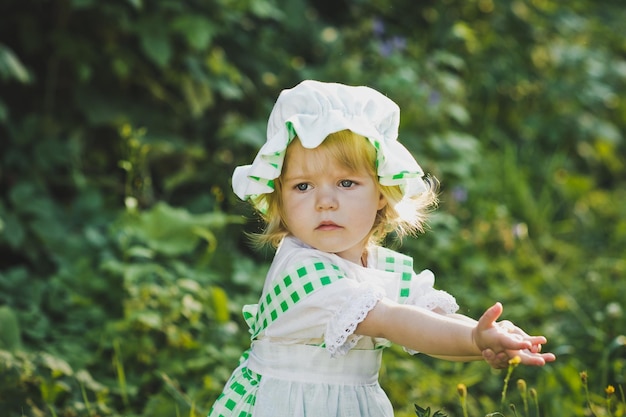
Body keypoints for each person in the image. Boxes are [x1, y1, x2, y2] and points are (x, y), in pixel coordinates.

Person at [209, 80, 555, 417]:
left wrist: (482, 340)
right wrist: (474, 340)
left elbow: (433, 323)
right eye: (303, 186)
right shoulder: (301, 270)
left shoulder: (382, 267)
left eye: (346, 183)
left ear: (380, 192)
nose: (324, 202)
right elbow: (393, 321)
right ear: (279, 199)